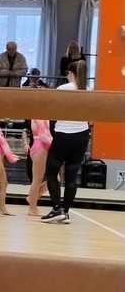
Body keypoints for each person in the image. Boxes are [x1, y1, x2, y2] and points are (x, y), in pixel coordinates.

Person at [41, 60, 89, 224]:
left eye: (67, 73)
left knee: (51, 173)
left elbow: (52, 110)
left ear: (71, 73)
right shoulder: (88, 90)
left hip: (64, 135)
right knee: (71, 176)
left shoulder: (63, 88)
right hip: (82, 136)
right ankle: (65, 212)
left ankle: (57, 208)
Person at [23, 117, 52, 216]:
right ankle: (32, 208)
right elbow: (44, 136)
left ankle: (31, 198)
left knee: (55, 178)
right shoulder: (39, 116)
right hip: (40, 147)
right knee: (37, 180)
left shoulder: (42, 116)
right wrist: (55, 146)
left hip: (41, 146)